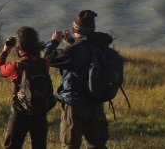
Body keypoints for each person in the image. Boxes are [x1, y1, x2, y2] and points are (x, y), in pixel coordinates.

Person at [44, 9, 113, 149]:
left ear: (75, 29)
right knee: (97, 144)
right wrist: (70, 42)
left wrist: (54, 42)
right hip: (96, 104)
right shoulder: (101, 47)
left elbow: (47, 59)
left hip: (74, 105)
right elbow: (84, 50)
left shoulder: (72, 52)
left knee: (70, 144)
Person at [0, 26, 52, 149]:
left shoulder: (17, 66)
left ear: (19, 47)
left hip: (20, 113)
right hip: (40, 113)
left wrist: (6, 50)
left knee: (12, 146)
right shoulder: (44, 64)